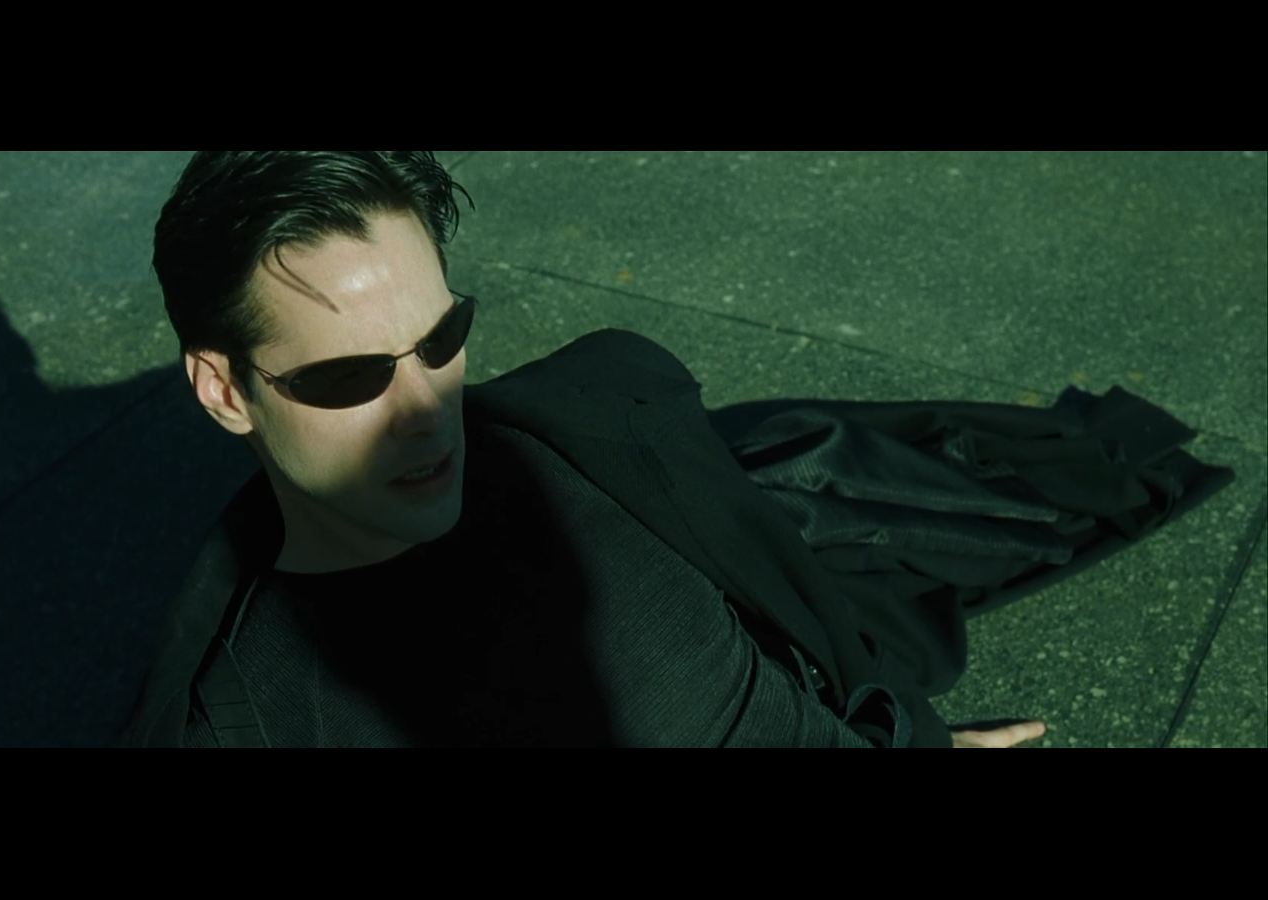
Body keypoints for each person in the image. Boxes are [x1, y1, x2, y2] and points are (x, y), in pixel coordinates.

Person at [116, 151, 1233, 748]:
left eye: (443, 340)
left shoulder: (589, 457)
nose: (424, 407)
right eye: (348, 377)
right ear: (225, 390)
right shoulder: (255, 717)